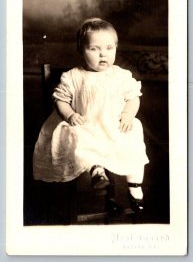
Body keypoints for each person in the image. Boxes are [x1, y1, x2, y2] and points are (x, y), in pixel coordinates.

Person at [33, 18, 149, 213]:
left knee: (134, 133)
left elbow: (133, 97)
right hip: (86, 123)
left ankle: (134, 185)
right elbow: (60, 100)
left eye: (109, 48)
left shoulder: (121, 75)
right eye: (94, 49)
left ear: (115, 48)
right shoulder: (73, 76)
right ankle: (97, 171)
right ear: (81, 50)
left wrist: (128, 114)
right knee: (79, 137)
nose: (103, 54)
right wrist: (70, 114)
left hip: (114, 125)